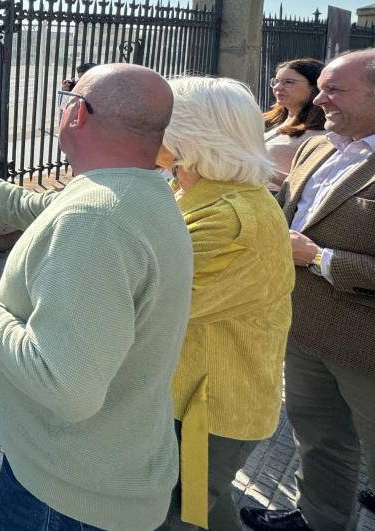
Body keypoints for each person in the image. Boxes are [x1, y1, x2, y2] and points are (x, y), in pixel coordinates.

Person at [0, 63, 193, 531]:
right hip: (103, 473)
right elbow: (25, 204)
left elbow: (63, 388)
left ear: (78, 114)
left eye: (68, 97)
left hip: (65, 496)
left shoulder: (96, 220)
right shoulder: (132, 192)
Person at [242, 48, 375, 531]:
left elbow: (308, 246)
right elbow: (285, 212)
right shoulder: (317, 147)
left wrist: (321, 259)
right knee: (320, 439)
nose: (319, 100)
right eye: (319, 89)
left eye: (334, 90)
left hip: (365, 347)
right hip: (302, 329)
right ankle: (319, 521)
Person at [153, 77, 294, 530]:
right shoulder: (204, 192)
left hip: (206, 410)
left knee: (179, 515)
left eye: (154, 121)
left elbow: (145, 303)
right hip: (195, 398)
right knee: (206, 510)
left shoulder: (229, 219)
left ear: (188, 136)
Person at [263, 58, 327, 193]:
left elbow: (313, 186)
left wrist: (258, 168)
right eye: (276, 81)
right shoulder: (274, 122)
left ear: (315, 86)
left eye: (288, 82)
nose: (277, 87)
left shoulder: (324, 134)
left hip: (280, 201)